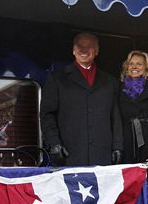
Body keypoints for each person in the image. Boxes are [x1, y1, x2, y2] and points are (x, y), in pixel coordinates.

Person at [40, 32, 123, 166]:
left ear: (96, 51)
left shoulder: (110, 81)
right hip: (69, 154)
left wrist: (118, 146)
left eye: (89, 46)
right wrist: (53, 143)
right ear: (73, 50)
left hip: (103, 154)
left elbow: (116, 117)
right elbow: (47, 114)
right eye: (80, 46)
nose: (84, 50)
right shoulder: (57, 78)